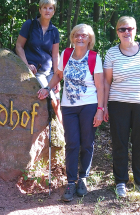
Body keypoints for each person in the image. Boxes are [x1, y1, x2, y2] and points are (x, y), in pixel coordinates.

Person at [38, 24, 104, 202]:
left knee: (87, 142)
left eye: (84, 35)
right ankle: (71, 181)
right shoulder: (66, 54)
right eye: (76, 35)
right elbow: (58, 75)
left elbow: (100, 86)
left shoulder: (94, 57)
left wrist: (100, 110)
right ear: (72, 37)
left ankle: (83, 178)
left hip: (89, 105)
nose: (80, 38)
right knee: (72, 143)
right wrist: (47, 88)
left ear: (89, 39)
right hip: (68, 107)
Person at [103, 16, 140, 197]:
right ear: (117, 32)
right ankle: (120, 181)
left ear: (135, 30)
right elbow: (106, 82)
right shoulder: (111, 53)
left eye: (130, 29)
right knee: (120, 143)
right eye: (122, 29)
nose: (127, 32)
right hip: (118, 103)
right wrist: (103, 106)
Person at [15, 0, 62, 123]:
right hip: (36, 71)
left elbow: (55, 54)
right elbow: (19, 46)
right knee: (51, 99)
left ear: (54, 11)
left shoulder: (54, 31)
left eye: (50, 8)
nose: (47, 11)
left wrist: (57, 77)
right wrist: (26, 66)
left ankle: (64, 136)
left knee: (57, 102)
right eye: (45, 8)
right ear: (40, 10)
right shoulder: (29, 25)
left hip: (50, 71)